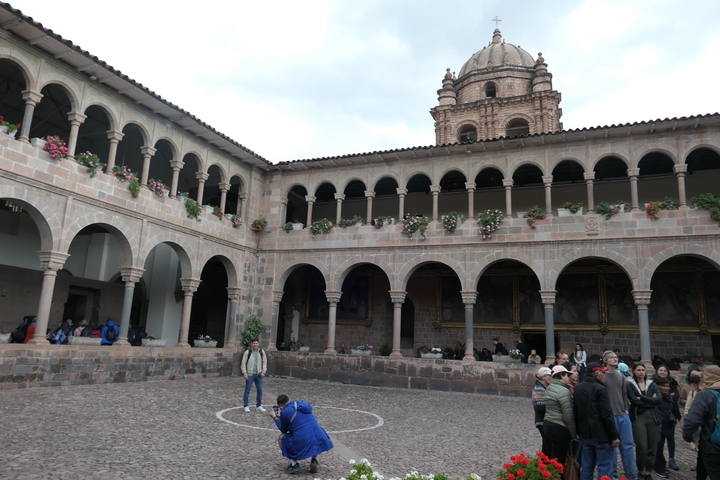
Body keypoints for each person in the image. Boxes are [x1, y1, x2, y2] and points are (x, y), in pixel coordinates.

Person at [575, 362, 620, 480]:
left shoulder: (578, 388)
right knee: (604, 467)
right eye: (603, 372)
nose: (604, 375)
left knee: (587, 468)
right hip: (602, 435)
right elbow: (606, 415)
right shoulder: (601, 389)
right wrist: (614, 436)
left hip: (585, 434)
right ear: (596, 374)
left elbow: (576, 412)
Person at [269, 394, 334, 474]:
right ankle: (314, 460)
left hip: (304, 440)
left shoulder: (285, 412)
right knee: (312, 433)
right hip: (320, 436)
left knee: (281, 438)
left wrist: (275, 418)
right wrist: (282, 418)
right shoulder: (304, 405)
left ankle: (294, 464)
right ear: (289, 399)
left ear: (281, 408)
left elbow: (283, 430)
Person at [602, 349, 639, 480]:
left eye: (615, 357)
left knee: (628, 446)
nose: (615, 359)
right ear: (606, 361)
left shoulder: (621, 376)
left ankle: (631, 475)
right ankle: (612, 475)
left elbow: (624, 395)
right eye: (611, 357)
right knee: (612, 447)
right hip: (610, 417)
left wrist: (626, 410)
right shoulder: (602, 376)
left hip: (623, 415)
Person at [682, 365, 720, 480]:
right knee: (702, 469)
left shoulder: (705, 394)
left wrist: (687, 436)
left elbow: (692, 420)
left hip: (712, 445)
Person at [627, 361, 661, 480]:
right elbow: (634, 402)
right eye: (638, 370)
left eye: (643, 370)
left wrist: (642, 398)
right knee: (642, 445)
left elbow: (659, 399)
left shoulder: (651, 383)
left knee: (652, 445)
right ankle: (641, 469)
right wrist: (650, 400)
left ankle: (648, 471)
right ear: (634, 372)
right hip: (638, 416)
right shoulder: (630, 384)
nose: (641, 372)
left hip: (653, 416)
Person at [543, 364, 576, 463]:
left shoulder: (550, 388)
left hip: (547, 424)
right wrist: (573, 435)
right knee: (558, 462)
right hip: (559, 427)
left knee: (550, 457)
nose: (568, 378)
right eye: (566, 375)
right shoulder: (563, 392)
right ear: (561, 375)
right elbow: (568, 416)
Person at [653, 364, 680, 472]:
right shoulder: (652, 382)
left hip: (671, 414)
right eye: (661, 370)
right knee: (659, 441)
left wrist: (667, 395)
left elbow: (676, 395)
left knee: (671, 437)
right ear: (657, 371)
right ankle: (659, 462)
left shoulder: (672, 382)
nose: (663, 372)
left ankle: (672, 458)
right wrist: (668, 395)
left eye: (665, 370)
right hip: (658, 415)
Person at [241, 339, 267, 413]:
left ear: (258, 344)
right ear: (252, 344)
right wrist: (245, 373)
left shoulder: (261, 352)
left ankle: (259, 405)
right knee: (247, 390)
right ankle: (246, 405)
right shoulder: (247, 352)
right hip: (250, 374)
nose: (255, 344)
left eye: (256, 343)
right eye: (254, 343)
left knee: (260, 390)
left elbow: (264, 362)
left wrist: (263, 372)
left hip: (259, 374)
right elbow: (243, 363)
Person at [533, 366, 553, 457]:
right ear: (543, 377)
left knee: (547, 444)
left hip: (544, 419)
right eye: (549, 375)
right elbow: (540, 405)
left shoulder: (544, 387)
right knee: (547, 445)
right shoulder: (539, 388)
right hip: (542, 420)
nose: (551, 378)